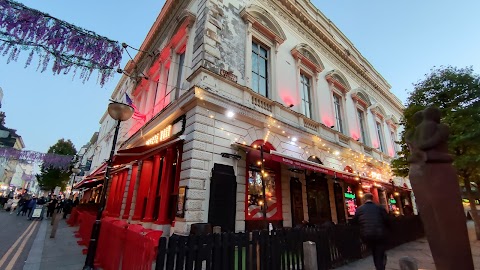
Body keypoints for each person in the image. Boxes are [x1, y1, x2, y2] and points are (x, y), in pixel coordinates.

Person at [352, 193, 389, 270]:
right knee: (379, 251)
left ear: (364, 199)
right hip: (380, 234)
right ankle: (380, 266)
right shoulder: (380, 208)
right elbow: (387, 220)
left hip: (367, 235)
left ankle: (379, 264)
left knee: (375, 251)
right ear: (373, 199)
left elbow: (354, 222)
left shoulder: (359, 209)